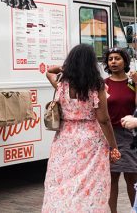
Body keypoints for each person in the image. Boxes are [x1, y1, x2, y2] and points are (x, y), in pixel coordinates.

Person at [42, 44, 120, 212]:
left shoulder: (62, 83)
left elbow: (49, 70)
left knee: (63, 183)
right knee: (89, 185)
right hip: (91, 140)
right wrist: (113, 145)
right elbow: (104, 119)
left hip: (64, 139)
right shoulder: (96, 85)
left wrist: (66, 68)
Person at [103, 47, 137, 212]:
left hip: (131, 136)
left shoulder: (132, 83)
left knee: (132, 178)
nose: (114, 62)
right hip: (110, 136)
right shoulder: (104, 84)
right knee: (112, 178)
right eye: (110, 59)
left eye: (117, 58)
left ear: (125, 61)